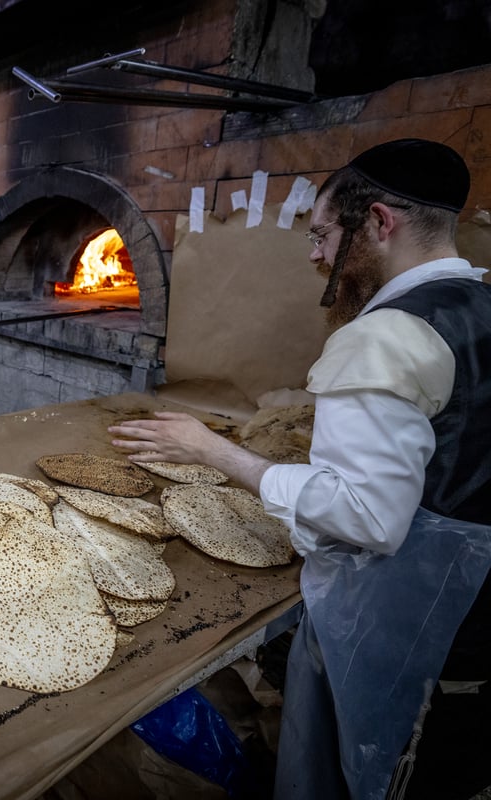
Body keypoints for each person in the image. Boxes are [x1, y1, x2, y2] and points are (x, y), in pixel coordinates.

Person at [108, 139, 491, 800]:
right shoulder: (480, 307)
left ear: (378, 223)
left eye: (320, 236)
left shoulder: (387, 337)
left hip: (410, 636)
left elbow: (367, 514)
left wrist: (214, 451)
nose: (313, 256)